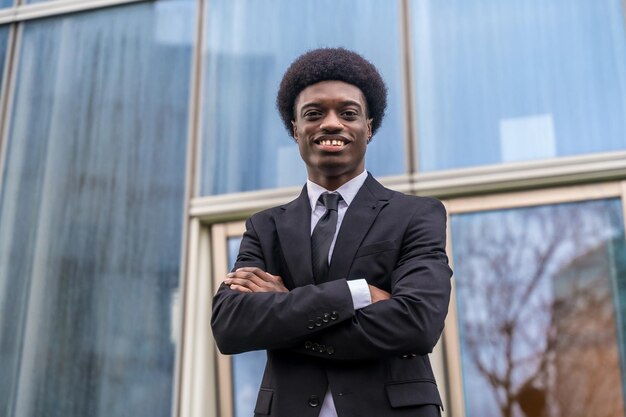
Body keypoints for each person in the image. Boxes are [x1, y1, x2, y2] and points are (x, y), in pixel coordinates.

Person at [211, 47, 452, 417]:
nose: (331, 124)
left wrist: (287, 309)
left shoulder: (416, 215)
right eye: (314, 113)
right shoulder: (265, 228)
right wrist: (355, 292)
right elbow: (231, 325)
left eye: (348, 113)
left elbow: (417, 323)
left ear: (368, 127)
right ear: (296, 129)